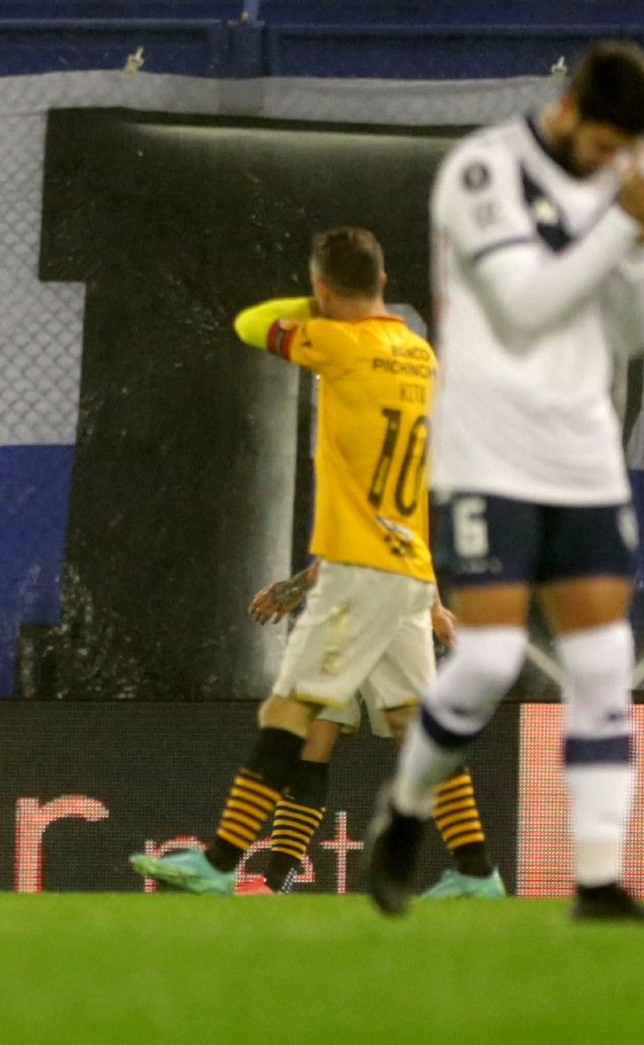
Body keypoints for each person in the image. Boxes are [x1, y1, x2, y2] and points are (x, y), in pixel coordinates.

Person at [369, 41, 644, 924]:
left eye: (625, 151)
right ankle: (404, 811)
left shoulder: (611, 182)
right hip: (488, 448)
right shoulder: (483, 170)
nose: (609, 164)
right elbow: (522, 304)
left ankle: (598, 882)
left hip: (582, 452)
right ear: (571, 105)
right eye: (603, 143)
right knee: (494, 657)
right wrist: (626, 222)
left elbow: (632, 326)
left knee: (603, 660)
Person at [129, 229, 492, 896]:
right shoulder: (419, 354)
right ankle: (477, 874)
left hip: (357, 572)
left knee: (294, 714)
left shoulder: (337, 343)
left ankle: (217, 865)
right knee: (414, 726)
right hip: (407, 570)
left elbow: (250, 322)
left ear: (325, 288)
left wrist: (320, 306)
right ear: (384, 283)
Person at [246, 560, 503, 897]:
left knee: (422, 745)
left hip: (392, 616)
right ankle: (276, 882)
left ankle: (476, 870)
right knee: (311, 740)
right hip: (336, 617)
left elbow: (390, 536)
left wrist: (435, 608)